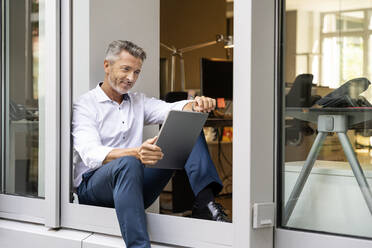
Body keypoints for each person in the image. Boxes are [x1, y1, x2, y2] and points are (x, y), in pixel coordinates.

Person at [72, 40, 229, 248]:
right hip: (93, 188)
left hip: (133, 186)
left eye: (136, 72)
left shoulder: (137, 101)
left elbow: (172, 108)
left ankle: (204, 203)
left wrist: (197, 104)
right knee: (129, 163)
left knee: (185, 124)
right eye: (126, 69)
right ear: (107, 66)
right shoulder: (85, 105)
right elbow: (91, 154)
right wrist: (136, 153)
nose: (131, 78)